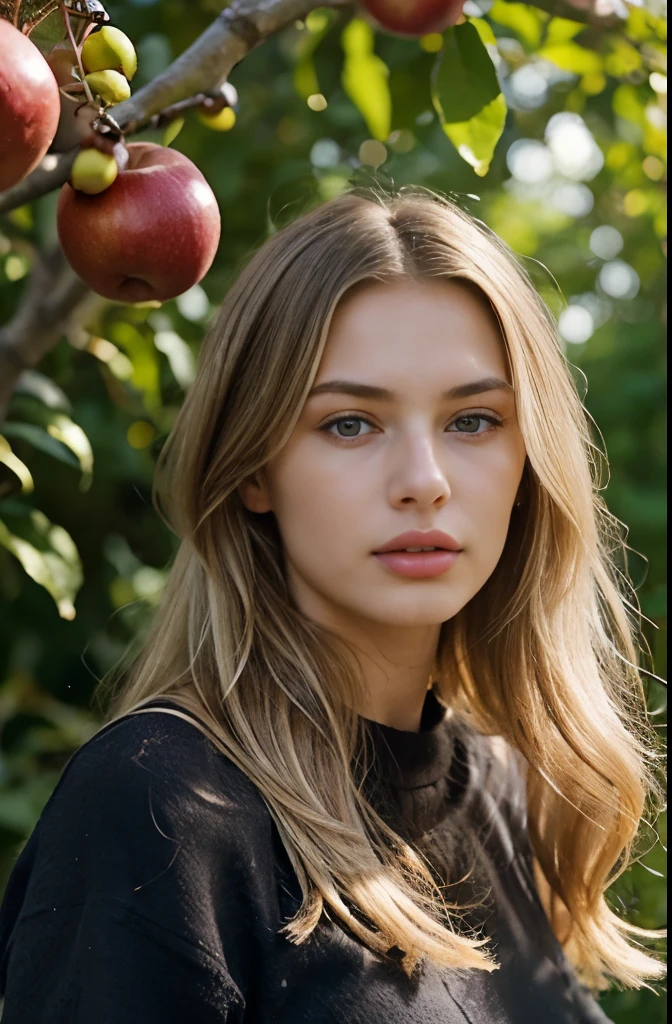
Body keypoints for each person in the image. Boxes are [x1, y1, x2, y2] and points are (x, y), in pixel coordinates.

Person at [0, 187, 665, 1023]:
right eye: (350, 424)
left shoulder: (494, 788)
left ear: (530, 464)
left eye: (473, 420)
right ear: (250, 469)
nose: (424, 481)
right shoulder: (159, 812)